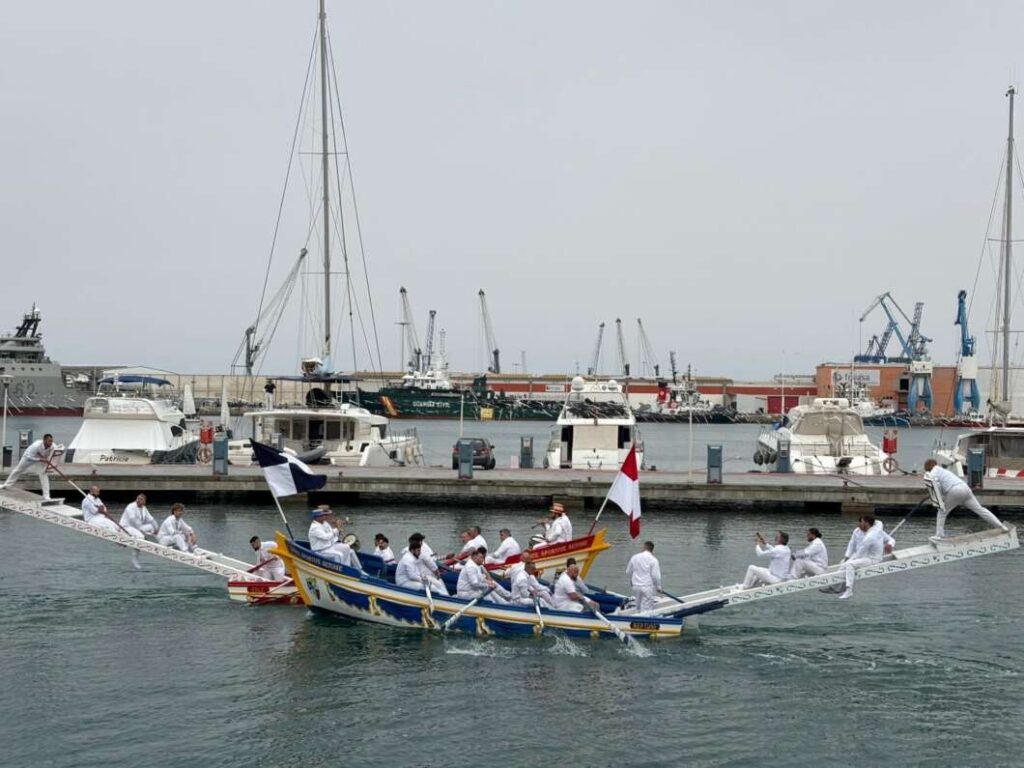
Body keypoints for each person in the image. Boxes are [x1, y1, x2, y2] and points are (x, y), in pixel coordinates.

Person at [923, 459, 1009, 539]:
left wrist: (938, 499)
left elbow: (933, 483)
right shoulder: (943, 471)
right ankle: (1001, 527)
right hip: (965, 488)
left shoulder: (933, 471)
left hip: (955, 490)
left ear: (928, 468)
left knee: (942, 512)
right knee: (981, 510)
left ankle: (939, 535)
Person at [838, 515, 892, 600]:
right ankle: (837, 587)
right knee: (843, 563)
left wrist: (849, 561)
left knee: (849, 565)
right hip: (865, 555)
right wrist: (847, 557)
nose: (859, 524)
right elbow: (852, 544)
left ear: (867, 523)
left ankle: (849, 590)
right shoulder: (877, 527)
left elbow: (859, 554)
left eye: (862, 522)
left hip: (872, 559)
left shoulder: (869, 537)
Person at [1, 433, 58, 499]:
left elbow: (55, 456)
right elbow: (28, 456)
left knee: (43, 474)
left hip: (41, 459)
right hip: (28, 458)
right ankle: (6, 485)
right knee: (18, 470)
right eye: (49, 441)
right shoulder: (36, 445)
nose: (51, 442)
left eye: (52, 441)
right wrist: (40, 459)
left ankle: (46, 496)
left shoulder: (53, 446)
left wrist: (52, 464)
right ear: (44, 440)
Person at [626, 541, 662, 612]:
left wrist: (632, 580)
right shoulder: (654, 560)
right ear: (652, 550)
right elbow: (655, 576)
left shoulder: (634, 557)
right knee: (646, 609)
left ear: (644, 547)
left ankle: (636, 618)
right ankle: (644, 621)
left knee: (637, 606)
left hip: (636, 586)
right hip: (647, 587)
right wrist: (658, 586)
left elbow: (628, 572)